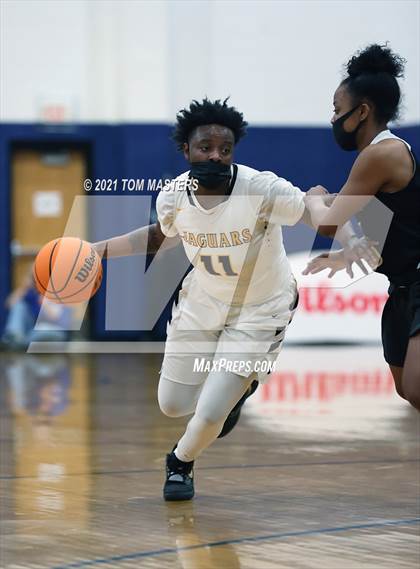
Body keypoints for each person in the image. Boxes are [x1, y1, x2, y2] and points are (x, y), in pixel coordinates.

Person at [93, 98, 376, 501]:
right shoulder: (173, 196)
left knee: (211, 415)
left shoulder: (260, 188)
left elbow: (321, 211)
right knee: (173, 405)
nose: (215, 155)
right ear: (186, 151)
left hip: (262, 310)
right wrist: (95, 249)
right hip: (202, 303)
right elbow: (160, 236)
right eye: (205, 147)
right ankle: (234, 391)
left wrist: (353, 240)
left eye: (224, 149)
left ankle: (180, 461)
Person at [303, 44, 420, 411]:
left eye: (338, 110)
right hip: (401, 287)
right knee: (406, 390)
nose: (334, 119)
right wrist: (345, 254)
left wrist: (312, 200)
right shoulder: (372, 159)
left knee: (417, 388)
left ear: (363, 111)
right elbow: (368, 240)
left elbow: (327, 222)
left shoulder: (381, 154)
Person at [1, 269, 72, 350]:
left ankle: (20, 343)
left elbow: (55, 317)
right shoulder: (31, 292)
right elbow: (9, 304)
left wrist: (43, 299)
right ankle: (14, 336)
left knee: (41, 336)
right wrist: (23, 288)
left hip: (53, 331)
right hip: (34, 331)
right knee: (19, 306)